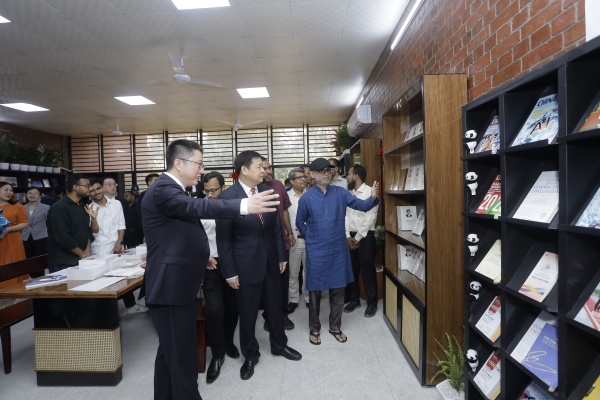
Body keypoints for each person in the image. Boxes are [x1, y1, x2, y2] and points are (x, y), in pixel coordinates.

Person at [141, 140, 280, 400]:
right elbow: (197, 208)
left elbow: (179, 232)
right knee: (182, 357)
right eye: (199, 164)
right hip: (172, 288)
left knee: (169, 354)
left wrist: (201, 255)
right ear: (179, 163)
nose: (202, 170)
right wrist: (243, 206)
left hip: (177, 284)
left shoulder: (174, 190)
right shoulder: (164, 188)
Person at [216, 150, 302, 381]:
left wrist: (281, 256)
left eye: (265, 167)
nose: (264, 171)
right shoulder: (228, 197)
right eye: (259, 167)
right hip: (244, 266)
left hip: (272, 262)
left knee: (275, 308)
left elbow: (275, 228)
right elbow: (223, 239)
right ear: (244, 170)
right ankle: (250, 354)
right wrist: (229, 272)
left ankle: (279, 345)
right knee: (248, 314)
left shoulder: (267, 191)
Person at [296, 158, 379, 345]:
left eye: (329, 170)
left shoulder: (340, 193)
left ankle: (335, 326)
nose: (327, 173)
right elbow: (299, 222)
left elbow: (362, 206)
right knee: (315, 292)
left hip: (338, 250)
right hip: (316, 251)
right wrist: (311, 238)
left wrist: (372, 197)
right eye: (322, 171)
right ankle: (314, 328)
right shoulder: (307, 198)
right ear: (313, 174)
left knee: (338, 290)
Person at [200, 171, 240, 384]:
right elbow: (194, 236)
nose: (210, 195)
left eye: (213, 190)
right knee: (214, 309)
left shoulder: (231, 206)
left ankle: (228, 342)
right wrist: (204, 255)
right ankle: (217, 354)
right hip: (210, 263)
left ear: (223, 188)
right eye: (206, 191)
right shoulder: (199, 208)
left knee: (232, 307)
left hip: (232, 263)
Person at [88, 179, 146, 314]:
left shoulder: (116, 203)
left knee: (123, 277)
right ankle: (108, 313)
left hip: (117, 247)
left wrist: (119, 241)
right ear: (89, 193)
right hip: (99, 250)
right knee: (104, 282)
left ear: (101, 188)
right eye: (92, 191)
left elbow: (121, 224)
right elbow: (93, 232)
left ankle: (130, 306)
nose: (96, 192)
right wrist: (94, 218)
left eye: (98, 188)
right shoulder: (89, 208)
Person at [261, 157, 295, 330]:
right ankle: (269, 316)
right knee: (267, 283)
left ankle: (282, 315)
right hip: (262, 245)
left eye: (270, 167)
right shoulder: (254, 189)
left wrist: (290, 232)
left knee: (282, 281)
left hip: (281, 242)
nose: (268, 171)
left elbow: (285, 210)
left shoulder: (278, 185)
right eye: (264, 168)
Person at [344, 165, 379, 317]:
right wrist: (347, 236)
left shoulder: (371, 192)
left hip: (365, 237)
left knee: (367, 270)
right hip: (349, 237)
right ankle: (354, 300)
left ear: (356, 176)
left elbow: (370, 219)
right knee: (352, 270)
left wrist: (356, 238)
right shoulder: (348, 194)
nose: (347, 177)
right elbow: (345, 216)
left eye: (349, 174)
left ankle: (372, 303)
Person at [46, 174, 98, 273]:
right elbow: (62, 236)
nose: (90, 189)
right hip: (63, 262)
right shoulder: (59, 207)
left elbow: (87, 231)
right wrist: (82, 254)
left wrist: (87, 250)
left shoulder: (82, 206)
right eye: (87, 186)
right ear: (75, 187)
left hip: (81, 260)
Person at [286, 167, 307, 310]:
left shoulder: (311, 194)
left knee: (308, 272)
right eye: (299, 177)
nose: (303, 179)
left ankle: (308, 297)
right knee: (293, 272)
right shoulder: (286, 196)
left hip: (309, 239)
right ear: (292, 181)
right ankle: (293, 299)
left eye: (304, 177)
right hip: (294, 239)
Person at [0, 181, 28, 287]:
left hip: (12, 240)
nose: (9, 192)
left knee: (12, 268)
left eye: (11, 190)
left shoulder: (18, 206)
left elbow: (25, 223)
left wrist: (8, 230)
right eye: (6, 190)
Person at [21, 187, 50, 262]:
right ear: (26, 195)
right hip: (25, 236)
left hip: (41, 236)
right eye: (30, 193)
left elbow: (50, 222)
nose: (32, 195)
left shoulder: (46, 207)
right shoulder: (21, 208)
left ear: (40, 196)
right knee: (27, 258)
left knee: (40, 260)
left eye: (35, 194)